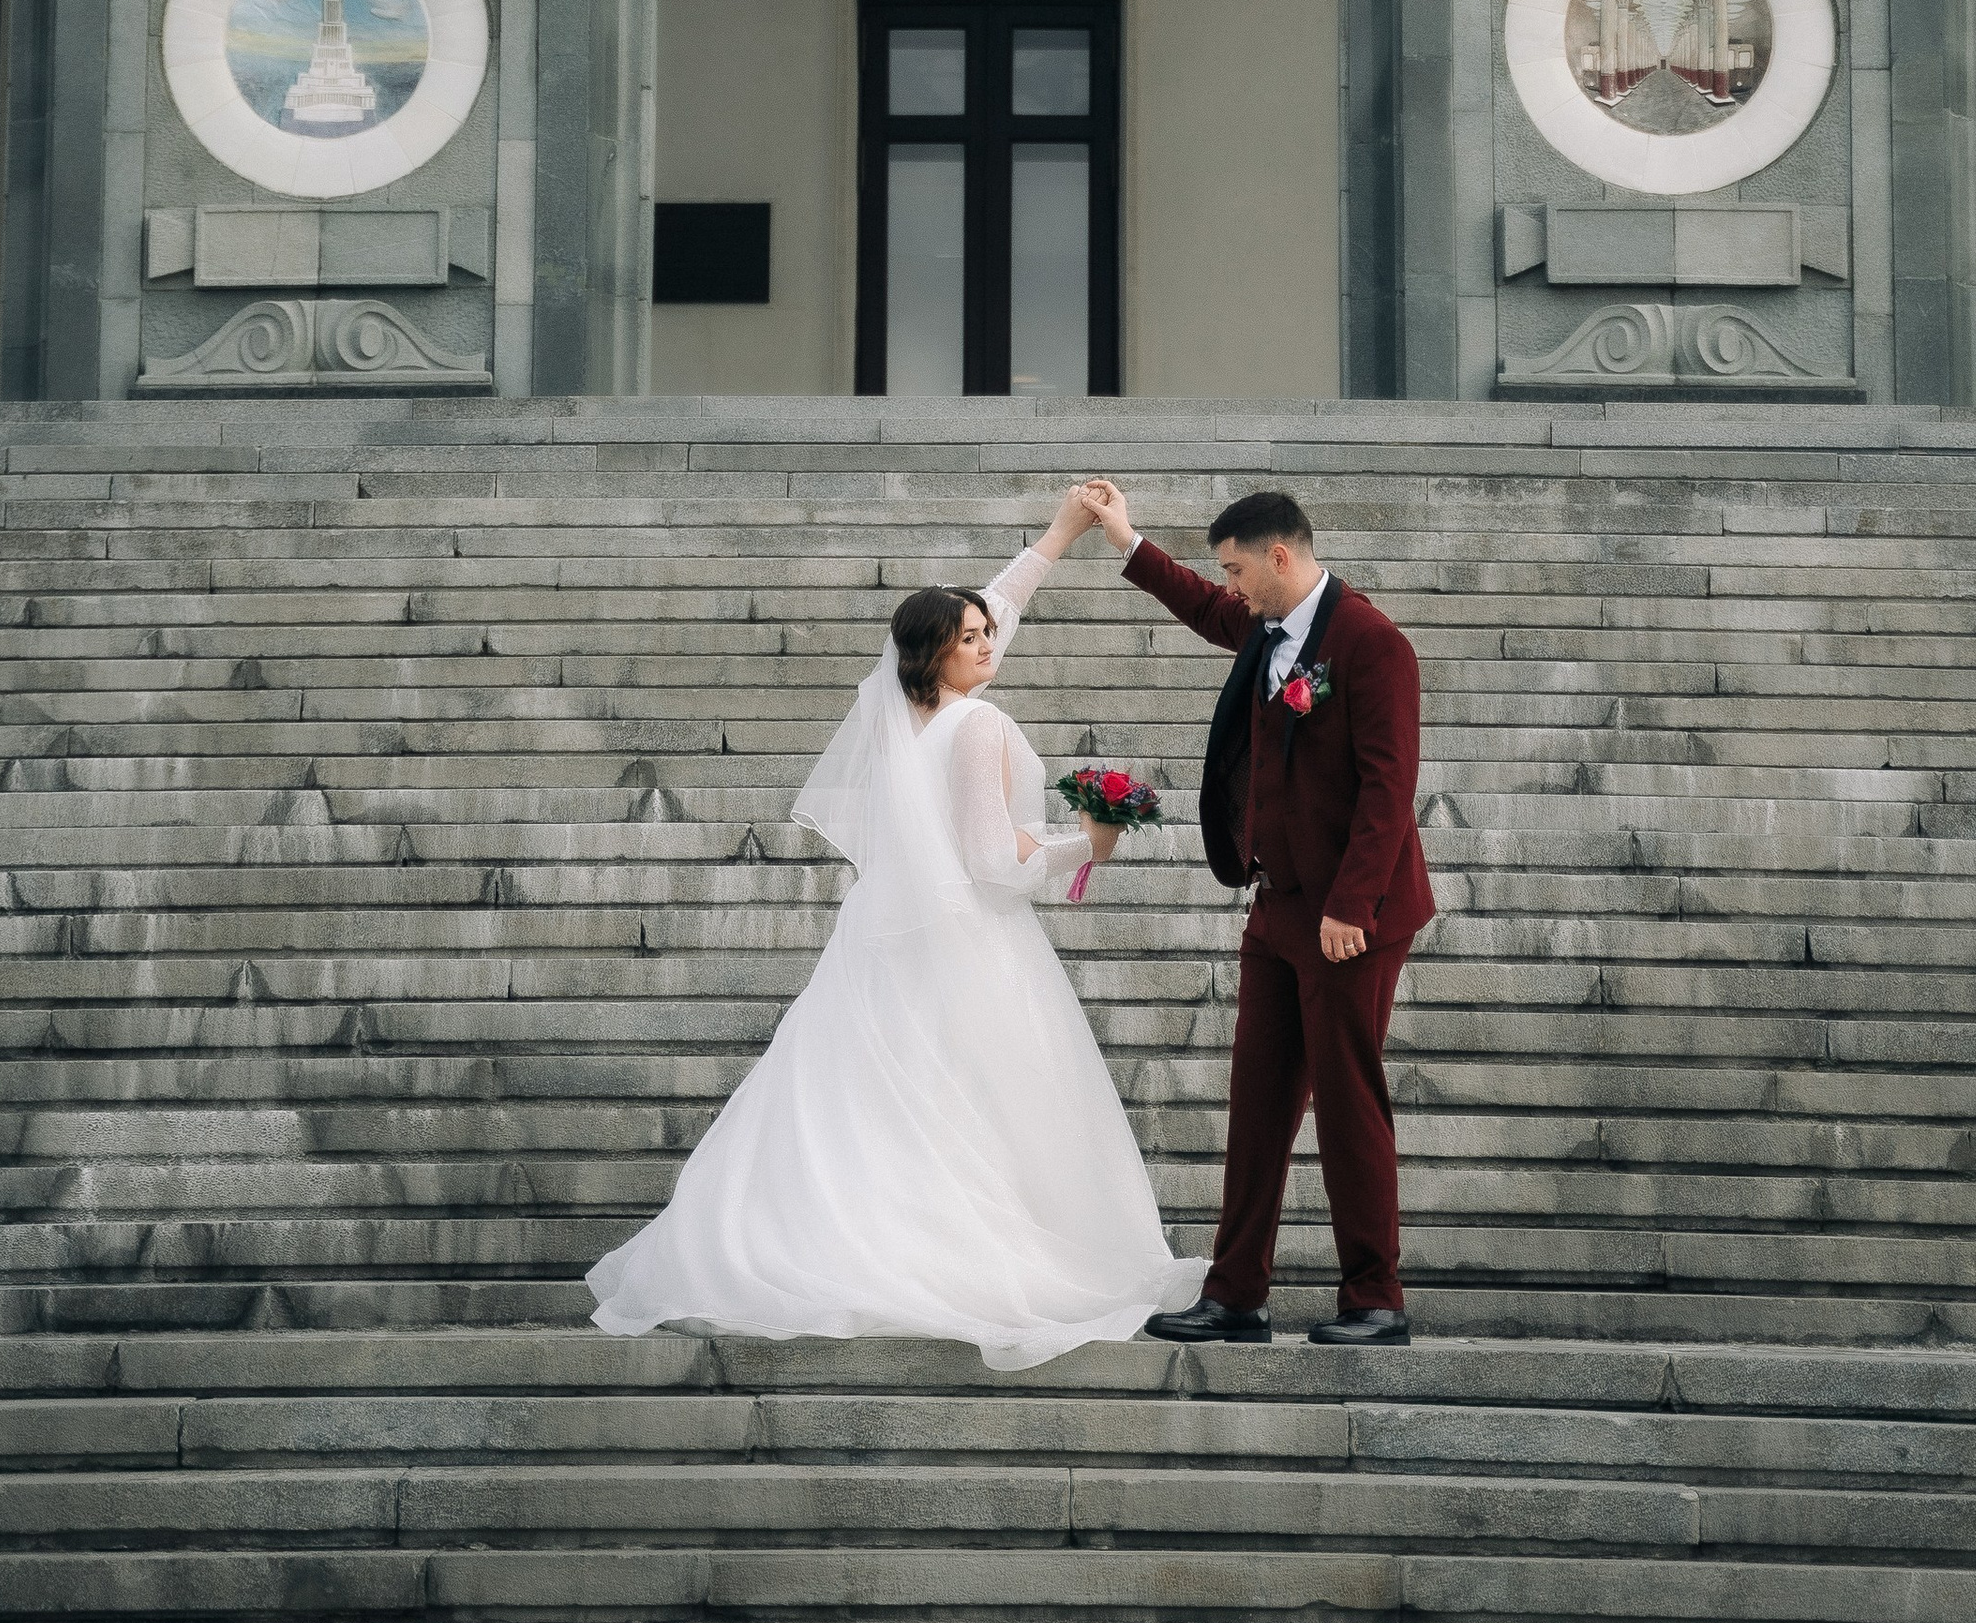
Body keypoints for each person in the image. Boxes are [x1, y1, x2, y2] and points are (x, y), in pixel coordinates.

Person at [584, 484, 1201, 1371]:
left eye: (988, 634)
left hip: (887, 942)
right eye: (972, 639)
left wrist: (1059, 536)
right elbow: (996, 864)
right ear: (938, 654)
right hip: (971, 941)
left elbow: (998, 605)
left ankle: (846, 1241)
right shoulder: (979, 723)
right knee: (984, 1102)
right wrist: (1087, 844)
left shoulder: (905, 715)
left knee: (885, 1096)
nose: (989, 644)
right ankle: (960, 1255)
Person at [1077, 477, 1432, 1347]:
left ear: (1282, 556)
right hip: (1276, 908)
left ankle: (1373, 1300)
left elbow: (1390, 788)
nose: (1229, 585)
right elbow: (1201, 607)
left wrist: (1350, 905)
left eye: (1237, 568)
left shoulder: (1371, 643)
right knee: (1258, 1101)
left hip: (1356, 917)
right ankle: (1236, 1295)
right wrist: (1124, 538)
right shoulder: (1265, 628)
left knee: (1350, 1102)